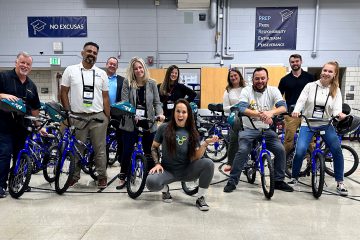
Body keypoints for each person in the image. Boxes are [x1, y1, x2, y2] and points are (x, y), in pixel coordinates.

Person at [223, 67, 294, 193]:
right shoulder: (246, 90)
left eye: (262, 78)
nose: (260, 81)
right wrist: (260, 115)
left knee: (280, 150)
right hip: (248, 129)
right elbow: (242, 108)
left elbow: (283, 107)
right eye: (257, 78)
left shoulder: (273, 90)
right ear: (252, 79)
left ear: (267, 79)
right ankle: (232, 181)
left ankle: (278, 180)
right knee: (243, 150)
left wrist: (270, 113)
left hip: (266, 130)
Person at [146, 99, 217, 211]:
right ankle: (165, 190)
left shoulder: (193, 132)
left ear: (188, 114)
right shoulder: (164, 128)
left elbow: (195, 157)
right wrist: (157, 163)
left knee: (209, 163)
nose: (180, 114)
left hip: (186, 170)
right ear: (173, 112)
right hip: (168, 171)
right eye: (178, 111)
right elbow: (154, 147)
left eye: (184, 112)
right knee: (151, 182)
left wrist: (205, 144)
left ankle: (200, 198)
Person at [289, 61, 348, 196]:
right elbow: (301, 101)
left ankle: (340, 182)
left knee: (337, 150)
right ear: (321, 71)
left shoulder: (336, 89)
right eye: (325, 70)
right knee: (300, 150)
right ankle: (294, 177)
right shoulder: (310, 86)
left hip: (326, 124)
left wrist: (339, 115)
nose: (326, 73)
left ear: (334, 74)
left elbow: (337, 108)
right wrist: (296, 111)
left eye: (330, 71)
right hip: (308, 123)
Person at [60, 42, 110, 189]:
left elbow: (105, 97)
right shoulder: (71, 70)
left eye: (95, 53)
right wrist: (68, 113)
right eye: (89, 51)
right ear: (82, 52)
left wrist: (108, 117)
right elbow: (63, 92)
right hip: (77, 116)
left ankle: (102, 177)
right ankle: (74, 176)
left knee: (100, 149)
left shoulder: (102, 73)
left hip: (98, 117)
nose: (91, 54)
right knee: (76, 149)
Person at [116, 56, 165, 189]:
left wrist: (160, 114)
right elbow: (125, 102)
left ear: (144, 68)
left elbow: (157, 102)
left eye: (140, 67)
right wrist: (132, 114)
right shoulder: (127, 83)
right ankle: (123, 176)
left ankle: (151, 176)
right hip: (130, 123)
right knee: (127, 151)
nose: (138, 70)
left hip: (149, 122)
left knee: (150, 151)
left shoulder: (152, 83)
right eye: (135, 68)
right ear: (132, 70)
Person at [0, 52, 42, 198]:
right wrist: (2, 95)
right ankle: (0, 185)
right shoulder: (4, 77)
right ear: (16, 62)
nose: (25, 66)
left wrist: (38, 126)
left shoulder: (31, 85)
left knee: (21, 155)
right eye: (22, 62)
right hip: (4, 126)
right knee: (4, 155)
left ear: (30, 67)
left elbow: (35, 108)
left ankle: (17, 182)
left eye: (28, 64)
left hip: (23, 127)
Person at [278, 54, 315, 154]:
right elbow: (278, 97)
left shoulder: (310, 77)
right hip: (291, 115)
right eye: (292, 62)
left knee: (310, 140)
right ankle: (285, 161)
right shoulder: (284, 80)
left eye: (297, 61)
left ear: (301, 62)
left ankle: (311, 162)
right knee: (289, 139)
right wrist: (279, 110)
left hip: (307, 113)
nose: (295, 63)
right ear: (290, 63)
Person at [222, 68, 246, 172]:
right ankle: (230, 162)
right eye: (231, 76)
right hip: (235, 118)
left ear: (240, 76)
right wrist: (237, 106)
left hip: (248, 117)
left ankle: (249, 160)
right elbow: (225, 108)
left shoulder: (247, 88)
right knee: (234, 140)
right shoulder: (227, 91)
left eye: (235, 75)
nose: (233, 77)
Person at [106, 56, 124, 164]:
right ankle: (102, 158)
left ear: (117, 67)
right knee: (102, 136)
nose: (112, 65)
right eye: (110, 63)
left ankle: (120, 157)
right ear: (106, 64)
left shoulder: (122, 80)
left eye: (114, 64)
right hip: (104, 111)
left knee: (121, 136)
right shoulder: (100, 77)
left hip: (117, 112)